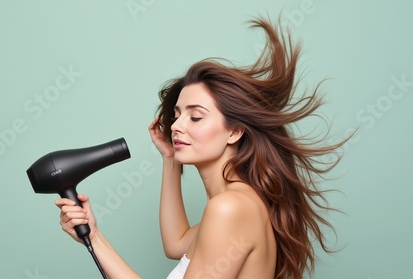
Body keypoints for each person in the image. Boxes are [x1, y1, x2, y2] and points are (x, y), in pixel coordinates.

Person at [56, 17, 345, 279]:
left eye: (195, 116)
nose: (177, 125)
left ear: (234, 131)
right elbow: (176, 242)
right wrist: (170, 159)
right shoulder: (240, 204)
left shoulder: (229, 208)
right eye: (178, 114)